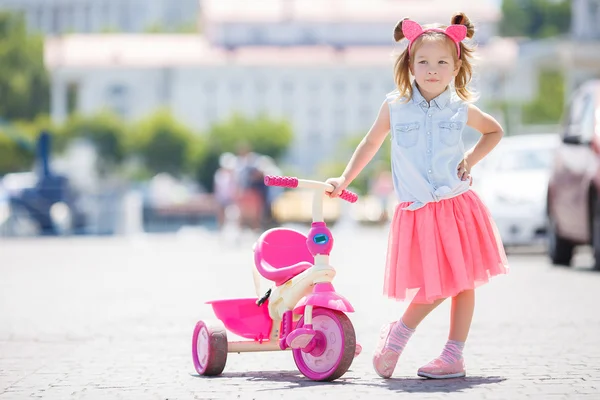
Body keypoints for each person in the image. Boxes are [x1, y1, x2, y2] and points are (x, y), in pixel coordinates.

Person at [326, 13, 509, 379]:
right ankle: (397, 334)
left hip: (457, 205)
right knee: (439, 281)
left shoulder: (460, 109)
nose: (432, 70)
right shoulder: (394, 106)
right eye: (423, 61)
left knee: (462, 281)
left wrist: (469, 159)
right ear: (410, 63)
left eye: (442, 62)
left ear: (457, 66)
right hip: (419, 210)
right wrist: (345, 178)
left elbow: (494, 131)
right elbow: (370, 143)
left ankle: (449, 354)